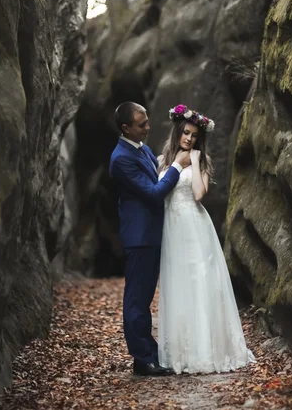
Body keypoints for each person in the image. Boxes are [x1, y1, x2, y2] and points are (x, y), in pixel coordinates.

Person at [157, 104, 256, 374]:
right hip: (173, 229)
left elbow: (199, 195)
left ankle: (205, 351)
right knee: (178, 284)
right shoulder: (162, 161)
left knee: (199, 282)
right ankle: (182, 351)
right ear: (177, 130)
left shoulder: (201, 161)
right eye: (186, 133)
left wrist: (197, 161)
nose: (188, 139)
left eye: (194, 136)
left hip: (195, 227)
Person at [109, 102, 191, 376]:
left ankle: (148, 354)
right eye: (141, 124)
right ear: (126, 128)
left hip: (152, 234)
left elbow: (152, 173)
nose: (148, 127)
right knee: (137, 301)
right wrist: (177, 168)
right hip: (140, 237)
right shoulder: (121, 159)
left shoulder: (139, 148)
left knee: (143, 298)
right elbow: (154, 193)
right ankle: (143, 358)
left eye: (146, 121)